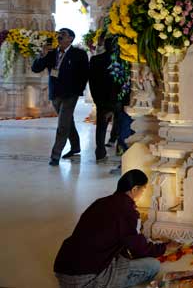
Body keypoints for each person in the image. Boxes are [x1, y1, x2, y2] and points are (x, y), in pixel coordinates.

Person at [54, 169, 169, 288]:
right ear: (134, 189)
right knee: (152, 266)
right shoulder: (127, 211)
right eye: (143, 190)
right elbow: (139, 249)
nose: (142, 194)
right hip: (84, 279)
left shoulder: (101, 202)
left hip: (63, 269)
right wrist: (164, 247)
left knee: (123, 256)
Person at [31, 28, 89, 166]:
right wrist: (41, 55)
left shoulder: (79, 54)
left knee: (62, 124)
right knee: (68, 121)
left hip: (70, 94)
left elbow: (84, 74)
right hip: (55, 93)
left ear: (71, 38)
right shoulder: (51, 53)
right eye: (59, 34)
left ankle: (55, 155)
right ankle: (75, 146)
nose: (59, 37)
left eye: (63, 35)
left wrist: (78, 90)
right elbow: (36, 68)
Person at [88, 36, 120, 162]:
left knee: (101, 126)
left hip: (101, 99)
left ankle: (100, 152)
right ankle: (118, 146)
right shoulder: (121, 60)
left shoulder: (95, 59)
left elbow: (92, 82)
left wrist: (96, 99)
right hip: (118, 98)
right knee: (119, 122)